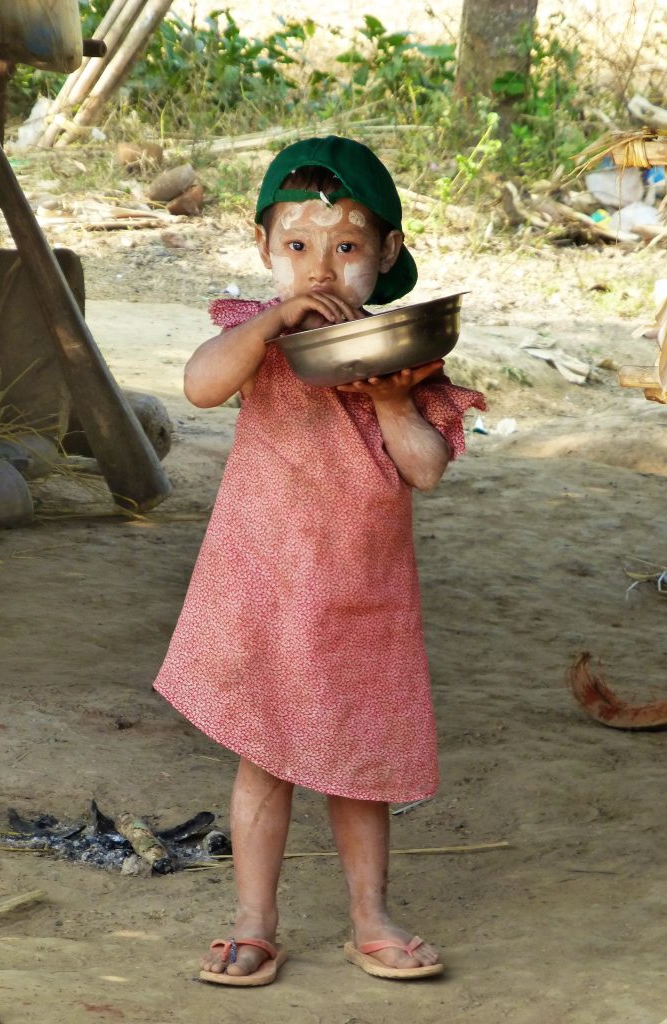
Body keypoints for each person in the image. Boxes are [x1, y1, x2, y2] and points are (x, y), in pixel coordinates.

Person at [153, 135, 485, 987]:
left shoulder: (407, 359)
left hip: (360, 598)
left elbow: (426, 470)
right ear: (262, 247)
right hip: (260, 585)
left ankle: (369, 918)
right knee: (264, 756)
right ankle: (254, 921)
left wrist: (393, 401)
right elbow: (198, 386)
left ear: (389, 254)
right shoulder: (255, 342)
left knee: (359, 762)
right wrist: (271, 323)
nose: (321, 271)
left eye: (346, 248)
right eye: (296, 247)